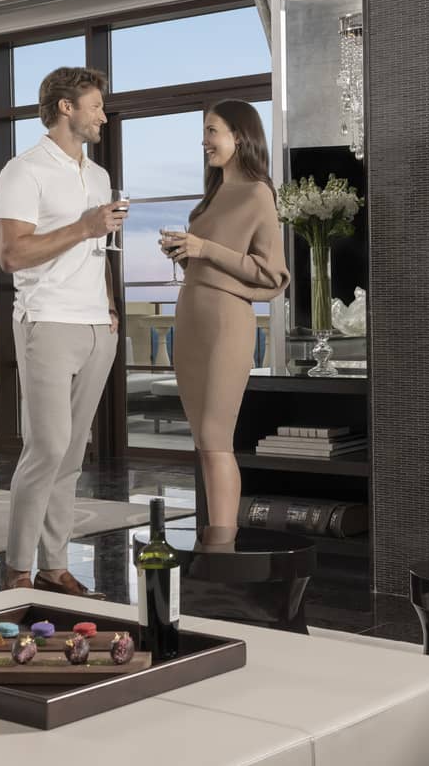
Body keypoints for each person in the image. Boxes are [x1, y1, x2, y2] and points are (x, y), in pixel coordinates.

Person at [0, 66, 127, 595]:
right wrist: (83, 227)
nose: (103, 115)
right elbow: (12, 253)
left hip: (97, 326)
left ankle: (54, 564)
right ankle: (17, 569)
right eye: (96, 106)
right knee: (47, 447)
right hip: (46, 322)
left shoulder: (96, 176)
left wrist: (111, 308)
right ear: (66, 107)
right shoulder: (22, 172)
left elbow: (102, 251)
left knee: (72, 455)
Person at [160, 100, 290, 545]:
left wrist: (204, 249)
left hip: (225, 327)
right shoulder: (213, 195)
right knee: (203, 441)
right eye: (205, 132)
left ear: (240, 136)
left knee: (217, 439)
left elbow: (272, 274)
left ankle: (223, 549)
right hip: (192, 322)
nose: (205, 141)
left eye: (212, 131)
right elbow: (213, 257)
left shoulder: (257, 193)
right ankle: (216, 545)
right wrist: (185, 251)